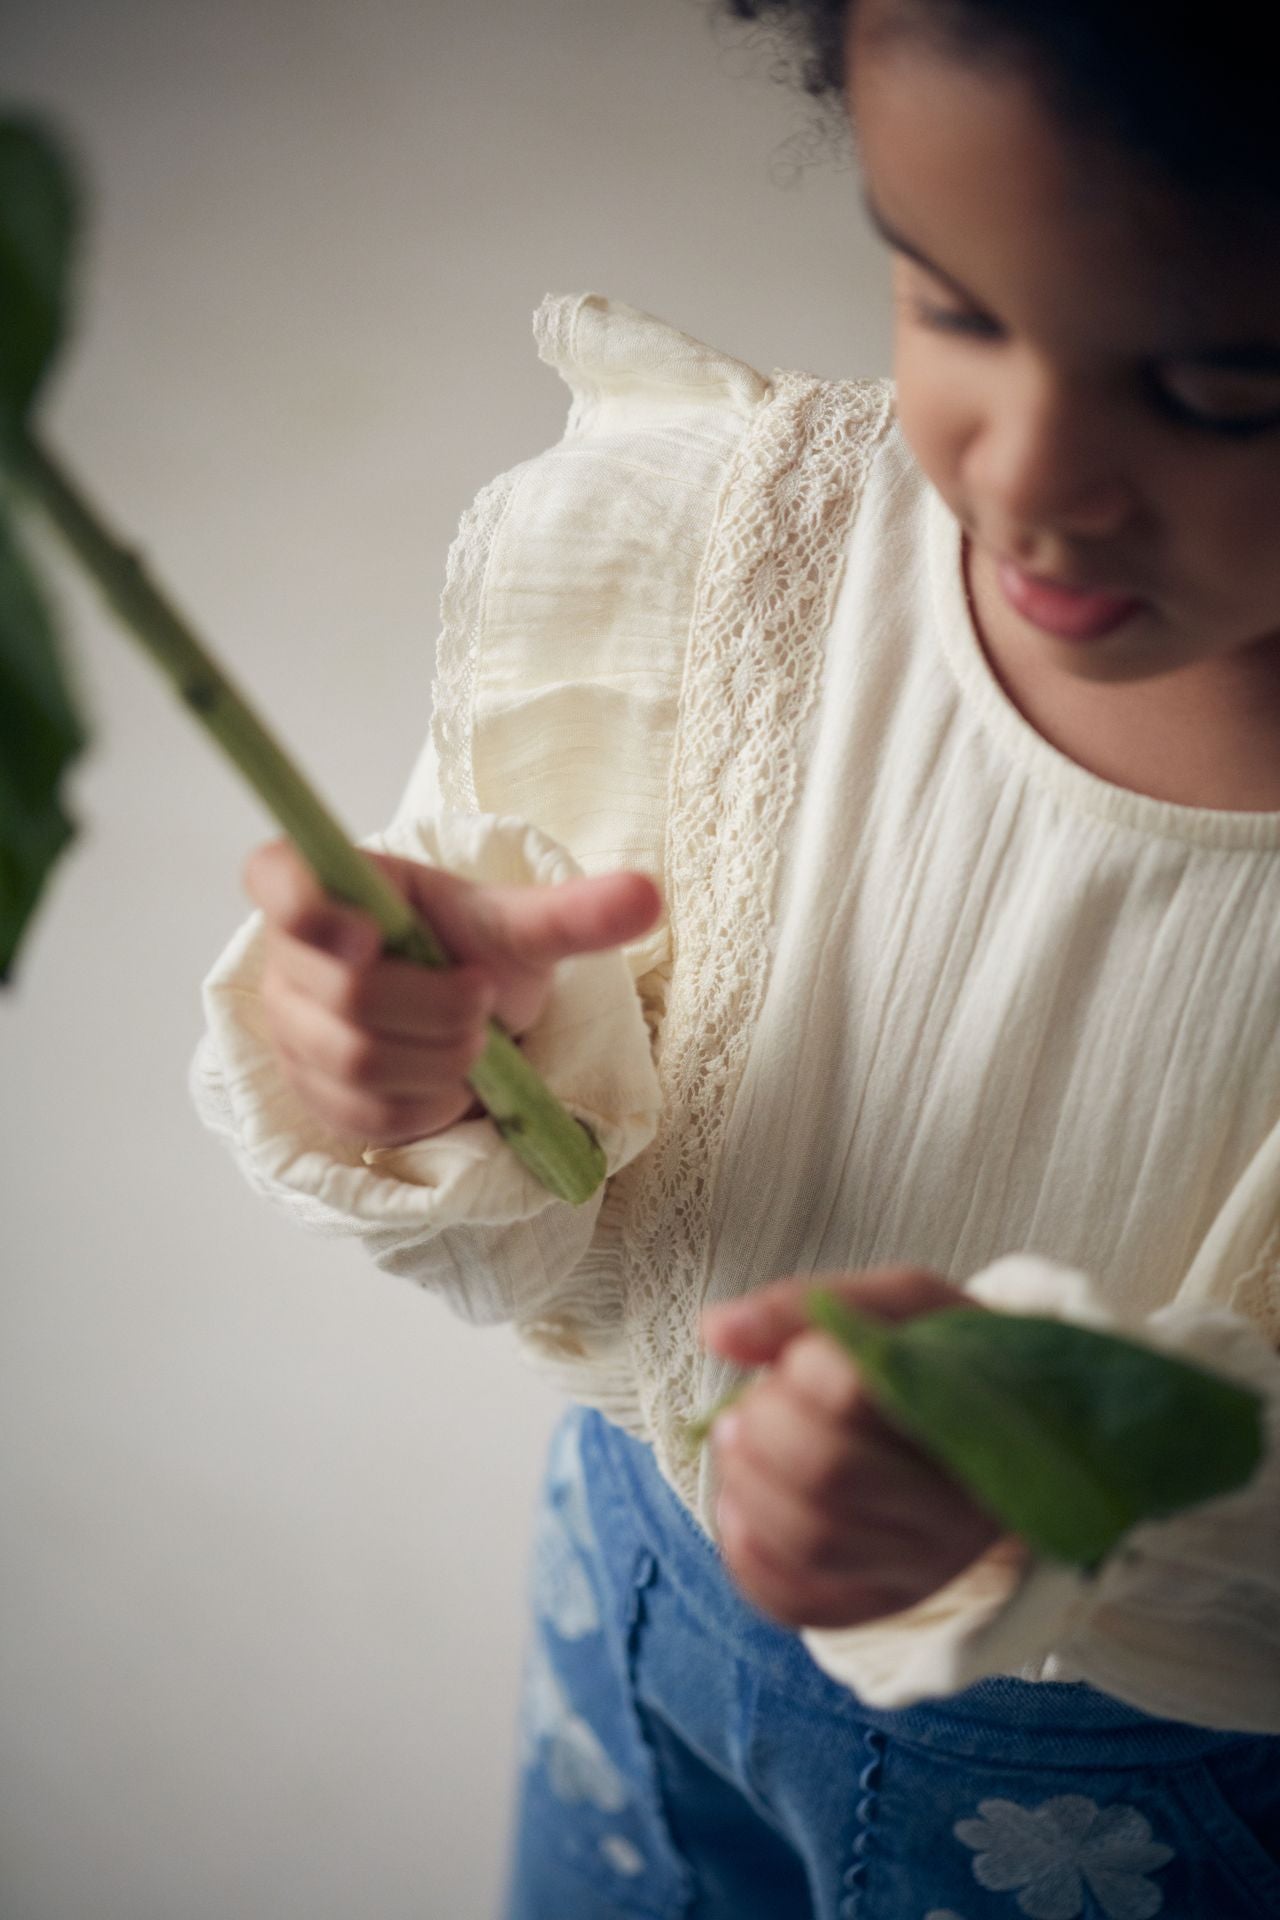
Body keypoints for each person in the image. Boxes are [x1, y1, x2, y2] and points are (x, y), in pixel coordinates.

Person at [189, 1, 1280, 1912]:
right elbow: (561, 1139)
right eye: (954, 305)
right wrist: (446, 1042)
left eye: (1216, 393)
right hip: (642, 1596)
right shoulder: (744, 562)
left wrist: (1043, 1473)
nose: (1032, 476)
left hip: (1130, 1801)